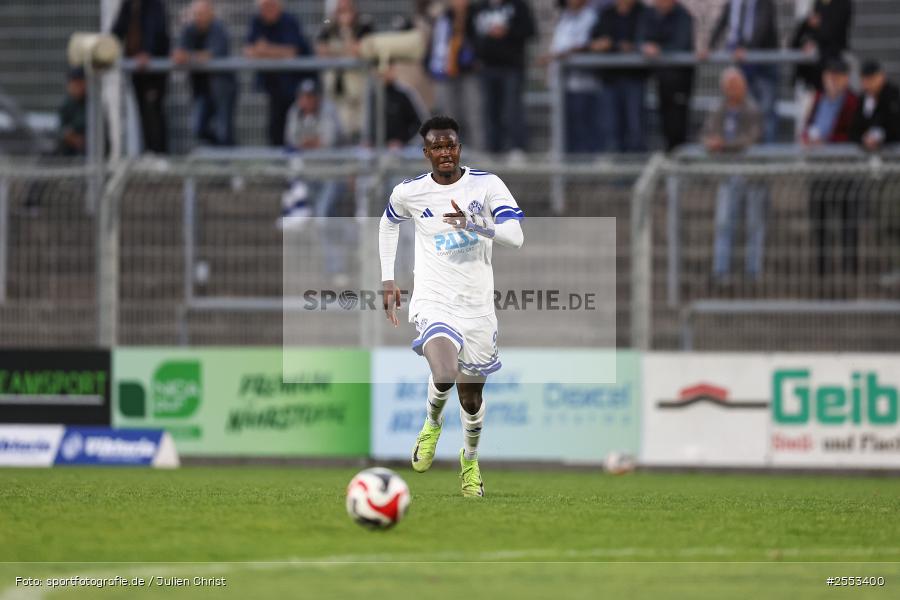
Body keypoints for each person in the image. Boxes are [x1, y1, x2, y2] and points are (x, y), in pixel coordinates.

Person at [379, 115, 525, 497]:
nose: (445, 152)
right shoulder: (410, 192)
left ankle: (470, 462)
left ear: (459, 148)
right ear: (426, 152)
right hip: (434, 300)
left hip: (478, 308)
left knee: (471, 400)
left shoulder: (487, 185)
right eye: (437, 147)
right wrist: (388, 278)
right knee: (444, 372)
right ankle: (431, 424)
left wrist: (474, 224)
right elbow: (388, 222)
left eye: (451, 145)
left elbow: (516, 236)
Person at [702, 67, 766, 281]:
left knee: (754, 224)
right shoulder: (718, 109)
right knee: (723, 222)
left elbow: (752, 138)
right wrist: (710, 142)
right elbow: (706, 134)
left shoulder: (753, 109)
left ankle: (753, 272)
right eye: (729, 86)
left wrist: (724, 145)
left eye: (737, 85)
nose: (733, 90)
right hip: (727, 173)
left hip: (752, 174)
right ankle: (721, 271)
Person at [802, 59, 860, 282]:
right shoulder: (818, 98)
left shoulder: (853, 101)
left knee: (847, 221)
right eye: (830, 75)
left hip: (844, 169)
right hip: (820, 168)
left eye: (837, 76)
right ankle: (822, 271)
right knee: (820, 222)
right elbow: (808, 125)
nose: (833, 81)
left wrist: (827, 144)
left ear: (846, 78)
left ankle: (850, 271)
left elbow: (853, 133)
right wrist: (808, 140)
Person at [706, 0, 779, 143]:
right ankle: (741, 148)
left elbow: (762, 26)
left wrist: (748, 49)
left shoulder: (764, 3)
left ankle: (767, 151)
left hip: (763, 64)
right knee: (743, 110)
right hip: (742, 65)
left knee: (766, 110)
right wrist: (709, 47)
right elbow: (721, 24)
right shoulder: (732, 3)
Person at [245, 0, 315, 146]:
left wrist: (265, 50)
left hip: (296, 85)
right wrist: (274, 52)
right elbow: (248, 51)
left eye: (270, 5)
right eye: (264, 6)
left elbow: (291, 52)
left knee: (296, 125)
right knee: (275, 128)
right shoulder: (257, 22)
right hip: (274, 86)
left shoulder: (289, 21)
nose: (267, 10)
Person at [470, 0, 536, 155]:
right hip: (487, 67)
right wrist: (476, 55)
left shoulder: (518, 6)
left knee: (512, 108)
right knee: (490, 109)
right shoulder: (480, 8)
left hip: (511, 67)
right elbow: (472, 35)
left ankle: (517, 147)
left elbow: (530, 30)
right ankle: (493, 148)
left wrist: (507, 31)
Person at [173, 0, 237, 146]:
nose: (199, 18)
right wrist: (191, 57)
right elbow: (178, 55)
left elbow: (211, 56)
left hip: (223, 88)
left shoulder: (219, 29)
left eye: (202, 14)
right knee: (198, 127)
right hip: (201, 89)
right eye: (196, 14)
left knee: (224, 130)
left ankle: (226, 155)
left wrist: (189, 57)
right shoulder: (189, 29)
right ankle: (218, 151)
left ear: (211, 14)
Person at [542, 0, 602, 154]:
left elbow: (584, 45)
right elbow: (558, 45)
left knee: (582, 129)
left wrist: (559, 55)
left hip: (583, 84)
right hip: (562, 84)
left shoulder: (591, 16)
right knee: (566, 130)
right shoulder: (564, 17)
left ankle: (584, 163)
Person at [425, 0, 485, 151]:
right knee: (448, 114)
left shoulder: (476, 15)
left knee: (473, 112)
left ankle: (478, 150)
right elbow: (435, 45)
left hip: (469, 73)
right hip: (446, 73)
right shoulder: (444, 18)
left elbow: (480, 43)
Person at [112, 0, 170, 153]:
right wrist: (104, 48)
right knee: (142, 112)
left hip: (153, 72)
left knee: (153, 112)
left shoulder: (154, 4)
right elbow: (117, 31)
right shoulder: (128, 4)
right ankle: (150, 152)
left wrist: (147, 52)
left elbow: (155, 28)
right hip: (137, 70)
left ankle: (159, 154)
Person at [589, 0, 648, 153]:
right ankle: (615, 163)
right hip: (610, 79)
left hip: (634, 78)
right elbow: (594, 42)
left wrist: (631, 47)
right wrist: (605, 45)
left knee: (635, 126)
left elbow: (647, 40)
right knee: (611, 126)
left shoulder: (643, 13)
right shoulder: (606, 14)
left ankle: (636, 163)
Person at [316, 0, 374, 144]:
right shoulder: (329, 27)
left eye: (347, 9)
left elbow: (358, 50)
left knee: (361, 131)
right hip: (335, 91)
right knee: (336, 131)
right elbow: (321, 50)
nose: (344, 14)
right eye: (340, 10)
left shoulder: (364, 26)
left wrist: (339, 46)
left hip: (358, 90)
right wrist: (345, 51)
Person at [641, 0, 694, 152]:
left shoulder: (683, 15)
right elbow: (642, 37)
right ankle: (669, 157)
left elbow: (682, 44)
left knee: (677, 124)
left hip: (679, 79)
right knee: (664, 121)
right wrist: (645, 47)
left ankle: (679, 159)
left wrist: (660, 50)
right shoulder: (651, 14)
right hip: (662, 79)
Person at [791, 0, 853, 91]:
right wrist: (807, 41)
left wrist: (815, 38)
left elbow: (834, 29)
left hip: (834, 56)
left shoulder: (842, 3)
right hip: (818, 62)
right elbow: (808, 28)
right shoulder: (819, 3)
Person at [851, 60, 900, 152]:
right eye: (865, 80)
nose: (868, 83)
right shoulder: (864, 99)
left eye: (871, 79)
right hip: (868, 153)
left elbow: (895, 126)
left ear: (881, 77)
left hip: (892, 153)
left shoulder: (894, 96)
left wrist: (880, 136)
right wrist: (864, 138)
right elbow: (854, 128)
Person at [57, 68, 87, 156]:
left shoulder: (93, 103)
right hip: (71, 148)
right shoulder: (67, 103)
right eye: (73, 83)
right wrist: (72, 137)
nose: (75, 87)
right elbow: (61, 128)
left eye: (79, 83)